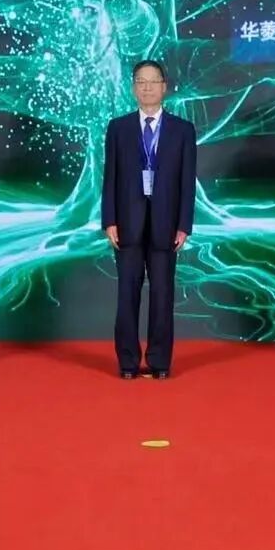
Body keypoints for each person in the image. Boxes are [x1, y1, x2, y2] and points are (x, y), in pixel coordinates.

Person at [100, 60, 198, 379]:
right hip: (126, 224)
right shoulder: (118, 128)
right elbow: (110, 178)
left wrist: (184, 224)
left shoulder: (183, 130)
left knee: (162, 295)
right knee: (127, 295)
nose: (147, 87)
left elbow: (187, 182)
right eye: (141, 82)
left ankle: (160, 361)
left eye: (153, 81)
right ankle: (128, 362)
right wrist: (109, 220)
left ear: (164, 87)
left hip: (166, 226)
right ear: (133, 88)